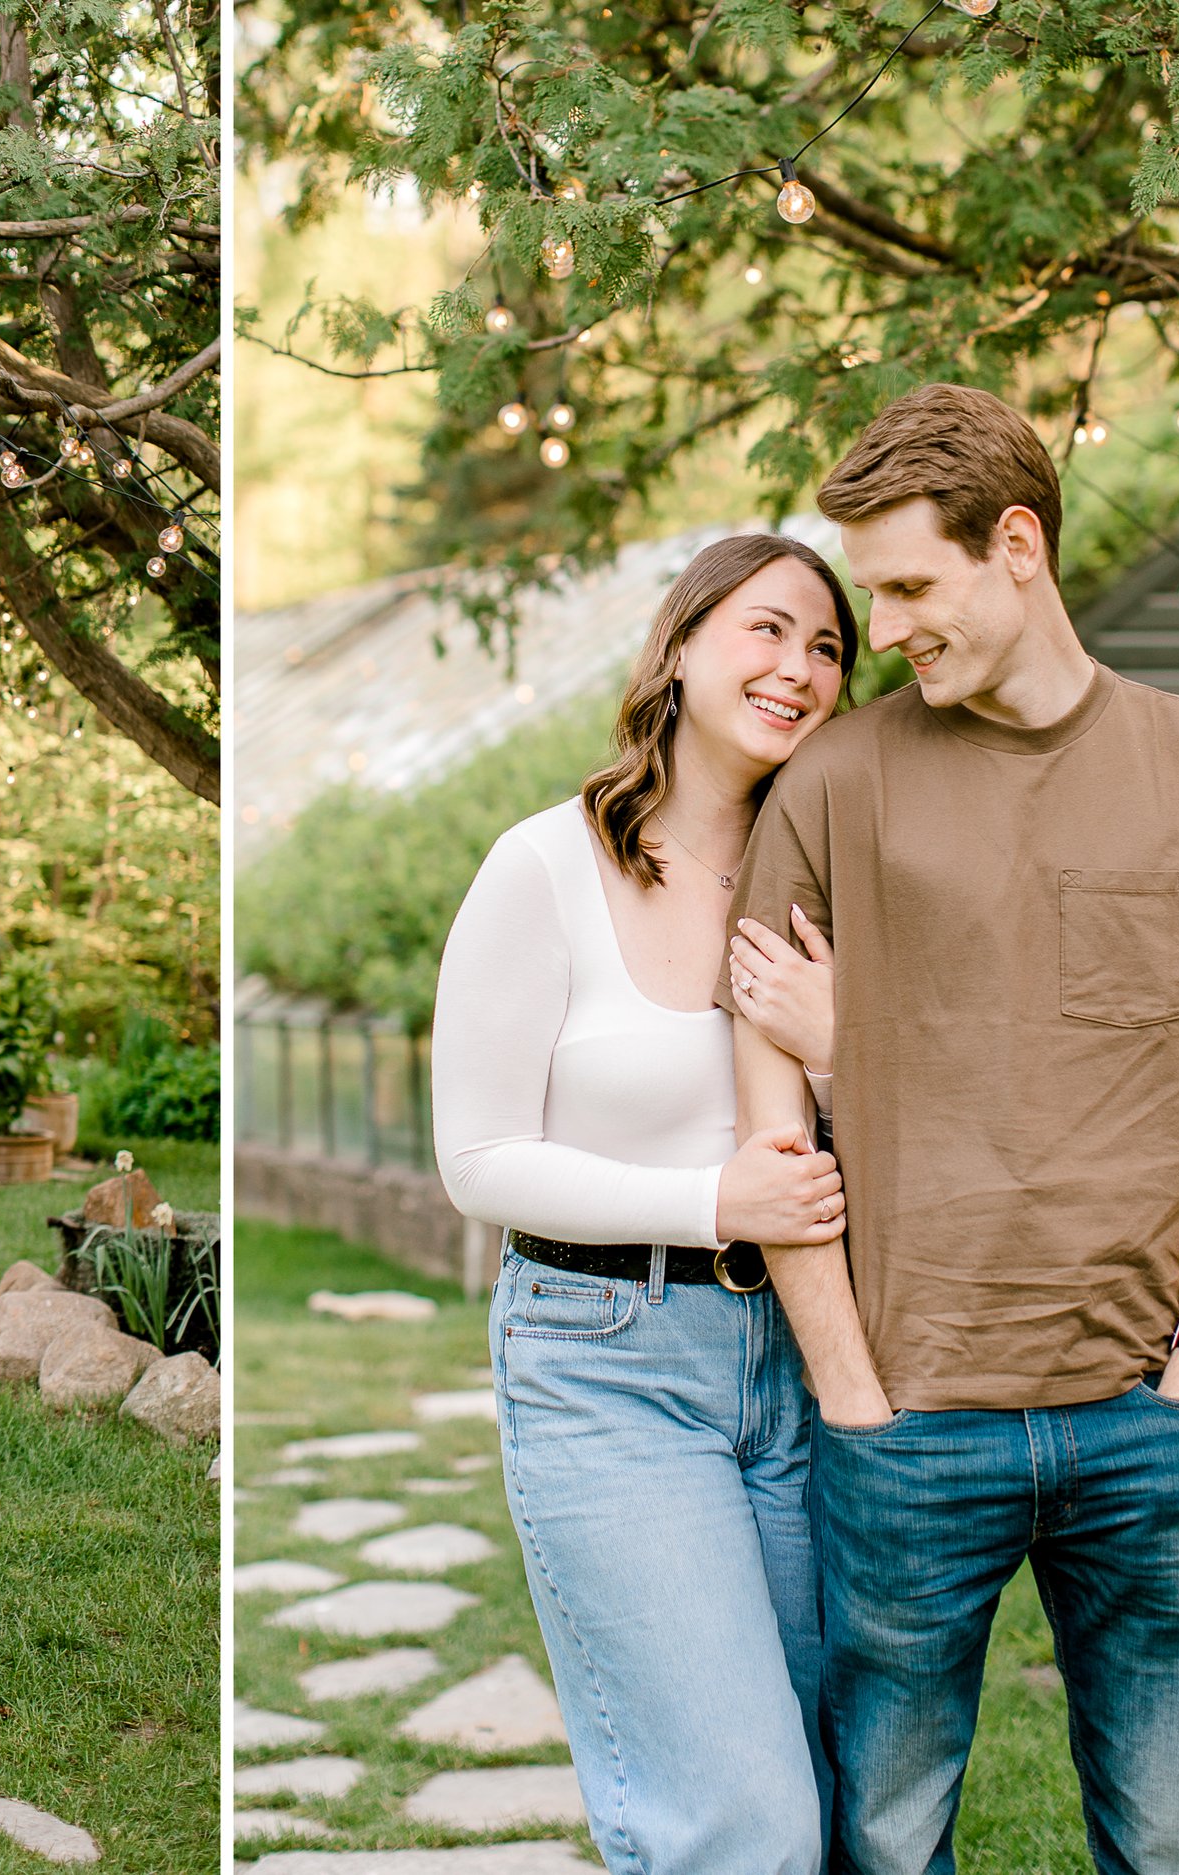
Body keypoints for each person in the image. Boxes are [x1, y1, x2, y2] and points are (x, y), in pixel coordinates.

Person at [721, 383, 1179, 1875]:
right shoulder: (832, 781)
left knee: (1176, 1840)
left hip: (1146, 1414)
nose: (891, 624)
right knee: (886, 1837)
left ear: (1018, 545)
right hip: (907, 1423)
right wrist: (855, 1395)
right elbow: (772, 1124)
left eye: (914, 586)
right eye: (875, 592)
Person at [431, 533, 860, 1875]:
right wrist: (710, 1195)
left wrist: (845, 1044)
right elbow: (479, 1158)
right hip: (605, 1359)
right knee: (745, 1824)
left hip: (812, 1365)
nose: (800, 666)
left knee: (833, 1798)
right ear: (678, 645)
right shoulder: (542, 867)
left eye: (831, 646)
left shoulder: (838, 883)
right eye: (768, 629)